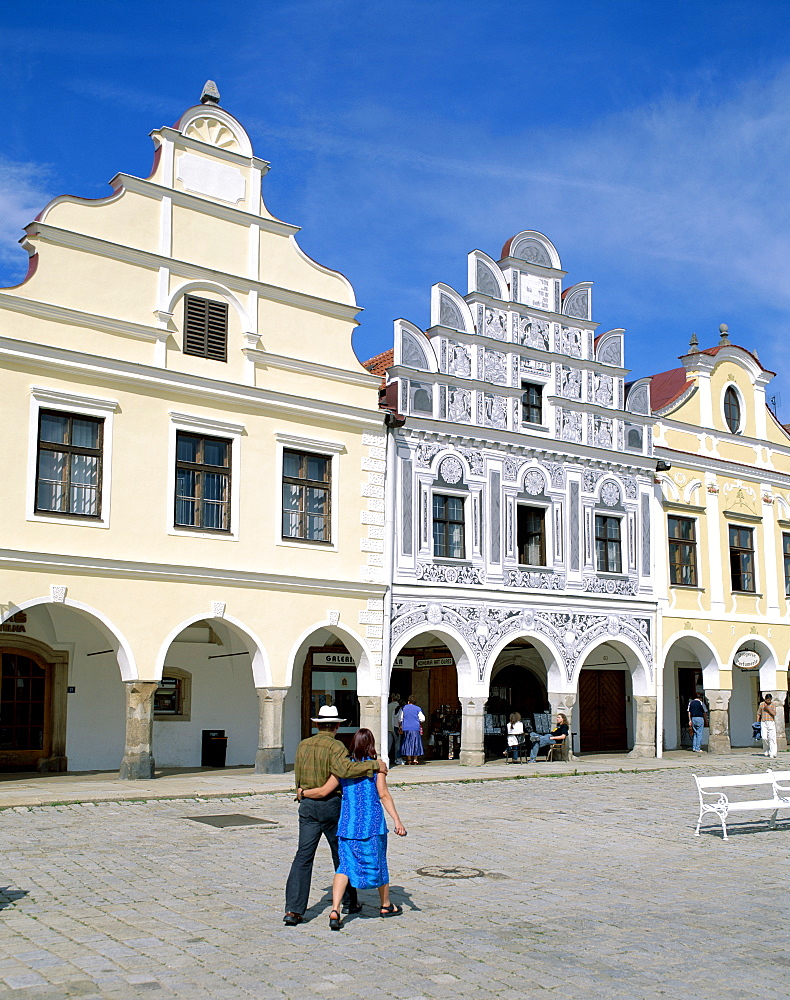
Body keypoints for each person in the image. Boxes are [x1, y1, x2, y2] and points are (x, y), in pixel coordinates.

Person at [283, 705, 387, 926]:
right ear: (337, 725)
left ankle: (293, 909)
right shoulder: (335, 746)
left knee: (303, 856)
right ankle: (349, 902)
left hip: (308, 805)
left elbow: (299, 777)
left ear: (317, 724)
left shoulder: (303, 745)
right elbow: (345, 771)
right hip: (330, 805)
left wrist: (303, 793)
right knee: (342, 855)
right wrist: (374, 765)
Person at [299, 728, 407, 930]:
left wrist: (303, 792)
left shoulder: (343, 769)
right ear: (371, 745)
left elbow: (323, 791)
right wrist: (397, 821)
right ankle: (385, 905)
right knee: (379, 863)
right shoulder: (377, 768)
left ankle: (335, 910)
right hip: (372, 824)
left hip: (348, 825)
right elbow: (383, 795)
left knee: (345, 867)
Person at [397, 695, 425, 765]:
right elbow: (422, 719)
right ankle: (415, 759)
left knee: (407, 743)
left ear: (408, 701)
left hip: (406, 728)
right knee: (415, 743)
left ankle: (409, 759)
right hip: (415, 728)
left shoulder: (403, 708)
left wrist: (401, 724)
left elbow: (400, 718)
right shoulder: (418, 708)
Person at [757, 692, 778, 759]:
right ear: (765, 699)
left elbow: (774, 713)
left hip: (771, 722)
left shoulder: (773, 704)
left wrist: (768, 709)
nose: (769, 701)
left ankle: (773, 752)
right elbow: (758, 713)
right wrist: (757, 722)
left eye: (770, 700)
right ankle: (766, 750)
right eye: (767, 700)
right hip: (763, 722)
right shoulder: (761, 704)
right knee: (764, 737)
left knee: (772, 738)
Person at [387, 693, 402, 765]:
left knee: (389, 744)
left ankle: (386, 757)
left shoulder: (387, 706)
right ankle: (397, 758)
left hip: (388, 727)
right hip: (395, 727)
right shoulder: (399, 707)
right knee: (397, 744)